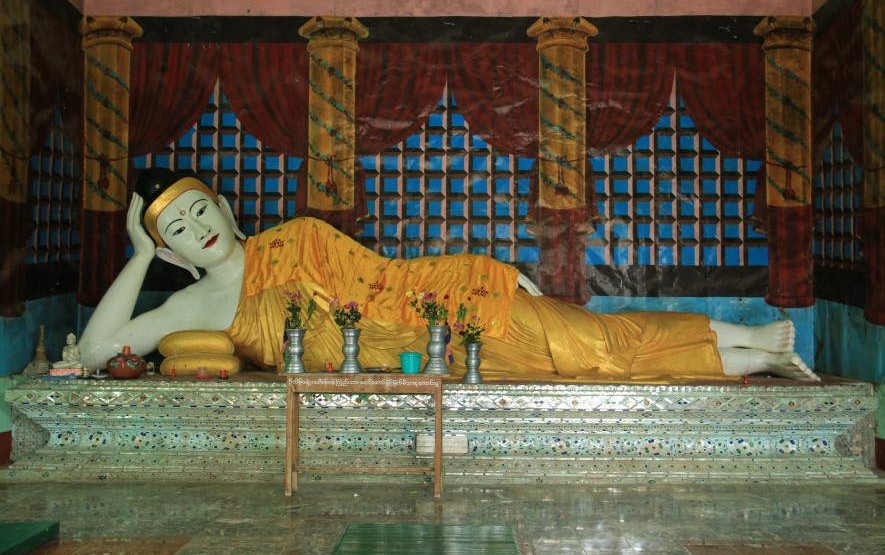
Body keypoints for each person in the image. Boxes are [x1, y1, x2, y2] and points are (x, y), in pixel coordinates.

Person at [78, 169, 820, 382]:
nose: (198, 229)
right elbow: (93, 351)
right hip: (416, 364)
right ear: (172, 252)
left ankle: (750, 341)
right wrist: (138, 256)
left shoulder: (295, 237)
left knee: (595, 340)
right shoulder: (194, 303)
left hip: (453, 319)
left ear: (226, 207)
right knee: (591, 363)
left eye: (200, 210)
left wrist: (486, 273)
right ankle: (755, 358)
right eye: (177, 231)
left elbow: (388, 276)